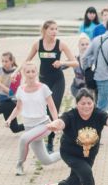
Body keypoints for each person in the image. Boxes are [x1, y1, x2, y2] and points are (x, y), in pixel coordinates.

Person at [26, 20, 78, 153]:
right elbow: (27, 60)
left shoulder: (61, 44)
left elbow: (75, 63)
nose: (54, 32)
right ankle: (42, 134)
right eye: (51, 29)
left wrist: (62, 62)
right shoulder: (38, 44)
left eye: (56, 29)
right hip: (43, 81)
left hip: (57, 81)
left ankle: (50, 142)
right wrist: (17, 73)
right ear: (45, 30)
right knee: (43, 110)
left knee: (53, 107)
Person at [5, 62, 61, 176]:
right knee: (46, 160)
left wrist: (57, 122)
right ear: (24, 73)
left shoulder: (43, 88)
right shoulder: (20, 89)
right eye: (28, 72)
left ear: (36, 73)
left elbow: (52, 107)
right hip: (29, 127)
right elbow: (18, 107)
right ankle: (69, 153)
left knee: (24, 139)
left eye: (33, 71)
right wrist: (9, 119)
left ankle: (19, 165)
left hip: (44, 125)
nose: (30, 74)